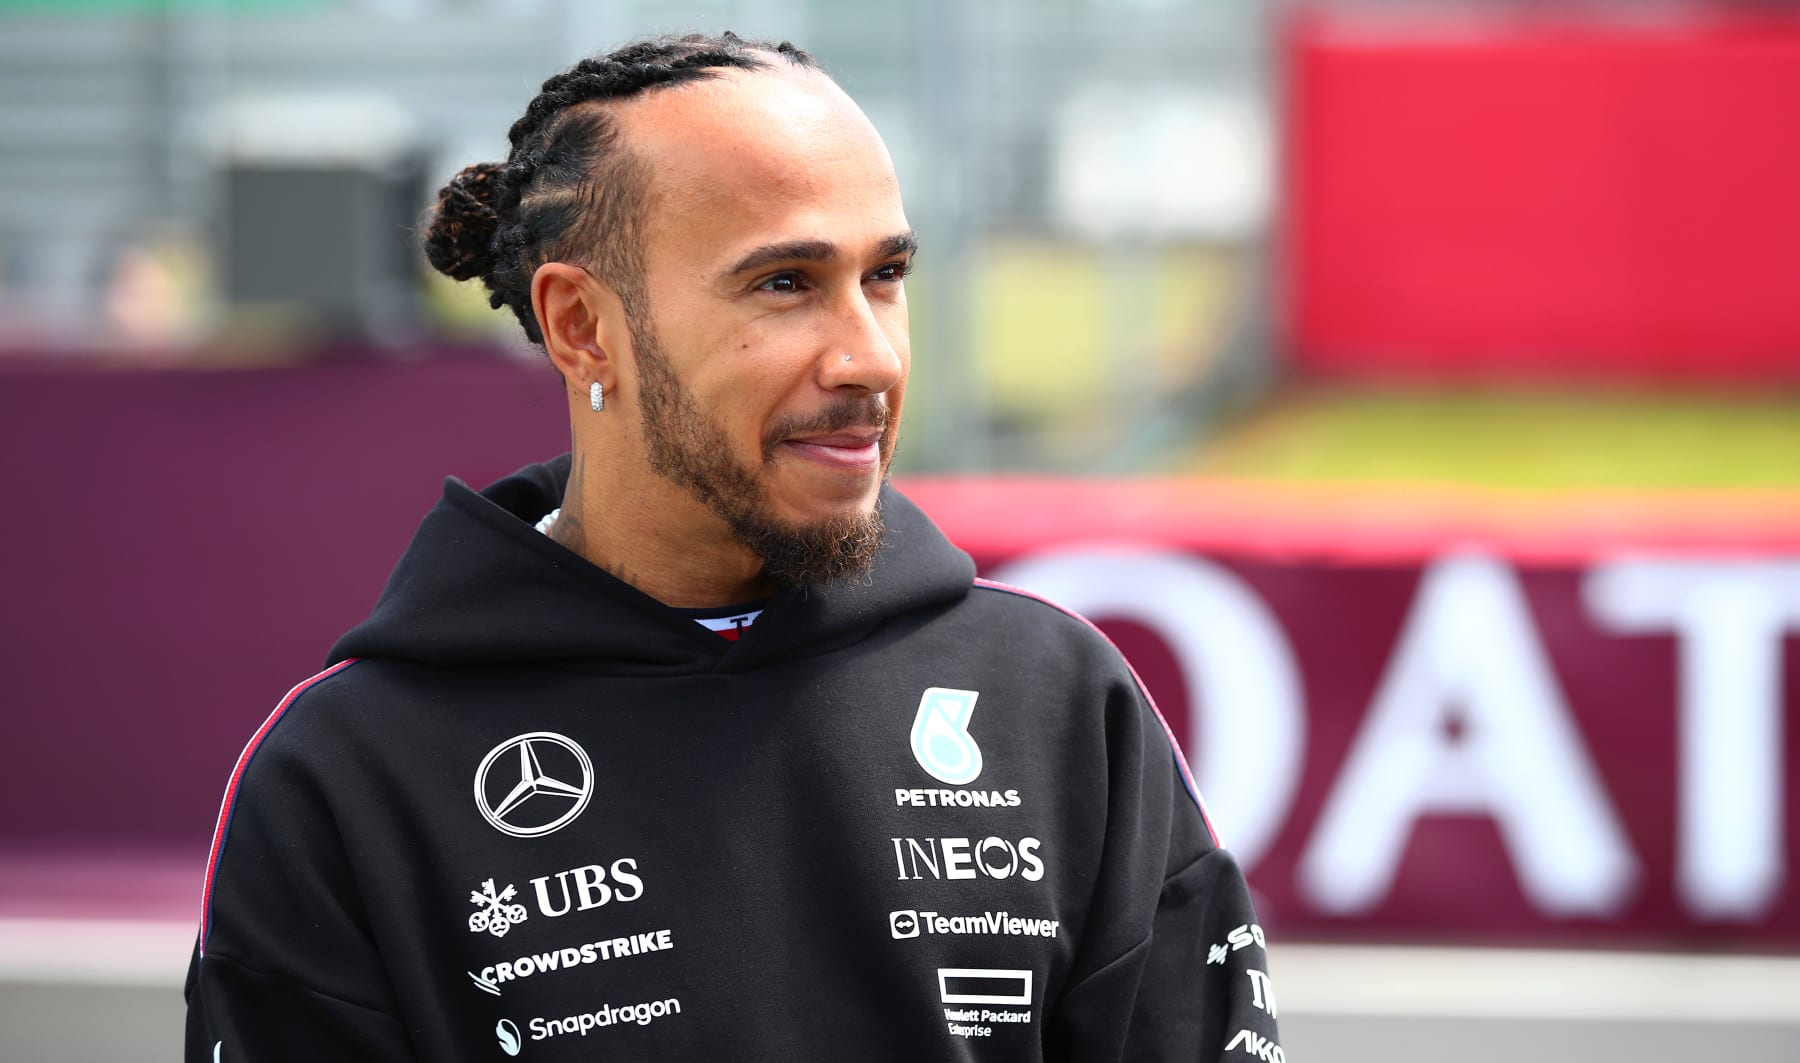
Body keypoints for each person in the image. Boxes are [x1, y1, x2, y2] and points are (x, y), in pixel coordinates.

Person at [184, 32, 1283, 1062]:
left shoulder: (1059, 704)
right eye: (785, 283)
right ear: (582, 327)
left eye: (886, 275)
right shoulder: (350, 777)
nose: (869, 357)